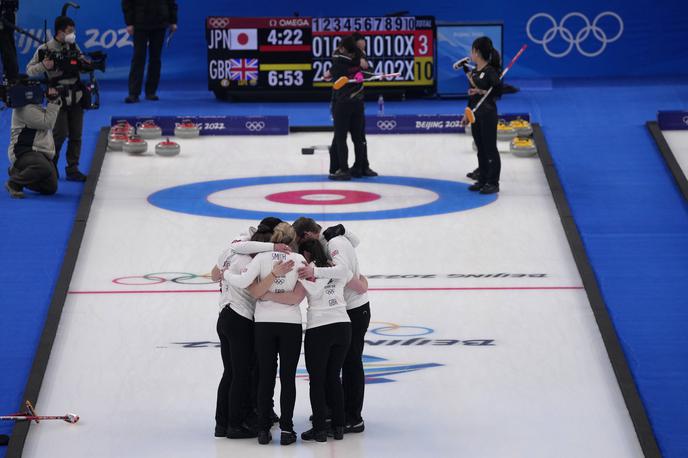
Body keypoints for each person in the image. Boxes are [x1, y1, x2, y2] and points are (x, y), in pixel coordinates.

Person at [225, 223, 307, 446]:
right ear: (292, 241)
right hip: (290, 324)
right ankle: (288, 430)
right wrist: (279, 293)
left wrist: (266, 293)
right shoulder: (299, 260)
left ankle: (263, 429)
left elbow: (252, 289)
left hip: (264, 325)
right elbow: (296, 298)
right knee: (288, 378)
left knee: (265, 377)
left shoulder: (260, 259)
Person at [211, 218, 292, 439]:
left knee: (231, 372)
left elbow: (213, 274)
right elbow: (255, 289)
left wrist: (226, 275)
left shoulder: (228, 252)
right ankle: (235, 424)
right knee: (241, 374)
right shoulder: (249, 260)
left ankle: (222, 423)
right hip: (240, 317)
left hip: (225, 314)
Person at [298, 224, 371, 434]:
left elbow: (343, 270)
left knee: (351, 363)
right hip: (345, 309)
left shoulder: (333, 243)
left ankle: (353, 416)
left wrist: (314, 271)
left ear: (308, 235)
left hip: (354, 309)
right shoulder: (330, 245)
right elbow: (354, 245)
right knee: (335, 367)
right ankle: (334, 412)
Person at [26, 15, 87, 182]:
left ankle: (73, 168)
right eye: (69, 31)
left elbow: (82, 63)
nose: (72, 34)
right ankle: (51, 167)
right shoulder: (45, 49)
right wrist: (44, 66)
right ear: (60, 31)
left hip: (76, 95)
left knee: (76, 134)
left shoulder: (74, 46)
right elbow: (30, 70)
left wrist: (85, 64)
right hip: (58, 97)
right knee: (59, 134)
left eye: (73, 31)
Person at [328, 33, 377, 179]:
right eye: (361, 43)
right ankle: (339, 168)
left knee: (356, 137)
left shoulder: (354, 57)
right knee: (342, 137)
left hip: (352, 102)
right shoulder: (346, 58)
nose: (364, 45)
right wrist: (361, 66)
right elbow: (335, 66)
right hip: (345, 102)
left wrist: (363, 66)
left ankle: (359, 167)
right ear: (355, 45)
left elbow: (369, 73)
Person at [5, 80, 61, 198]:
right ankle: (14, 183)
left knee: (50, 187)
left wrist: (53, 100)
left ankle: (18, 173)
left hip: (38, 151)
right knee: (43, 167)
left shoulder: (33, 106)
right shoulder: (25, 109)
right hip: (23, 151)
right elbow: (48, 123)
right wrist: (53, 101)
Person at [464, 36, 502, 194]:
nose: (471, 54)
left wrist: (482, 91)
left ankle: (493, 182)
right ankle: (483, 178)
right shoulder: (474, 72)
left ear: (477, 52)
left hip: (487, 114)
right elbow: (471, 96)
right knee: (480, 148)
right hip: (475, 114)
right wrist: (466, 112)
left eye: (472, 51)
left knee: (489, 148)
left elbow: (498, 92)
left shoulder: (490, 72)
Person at [122, 0, 178, 103]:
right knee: (138, 58)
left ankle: (151, 92)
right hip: (140, 23)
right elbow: (127, 3)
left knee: (155, 59)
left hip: (160, 23)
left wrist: (173, 21)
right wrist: (129, 23)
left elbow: (171, 2)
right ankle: (134, 93)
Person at [0, 0, 19, 82]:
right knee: (6, 48)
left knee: (8, 47)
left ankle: (11, 77)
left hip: (6, 17)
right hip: (6, 14)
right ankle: (10, 76)